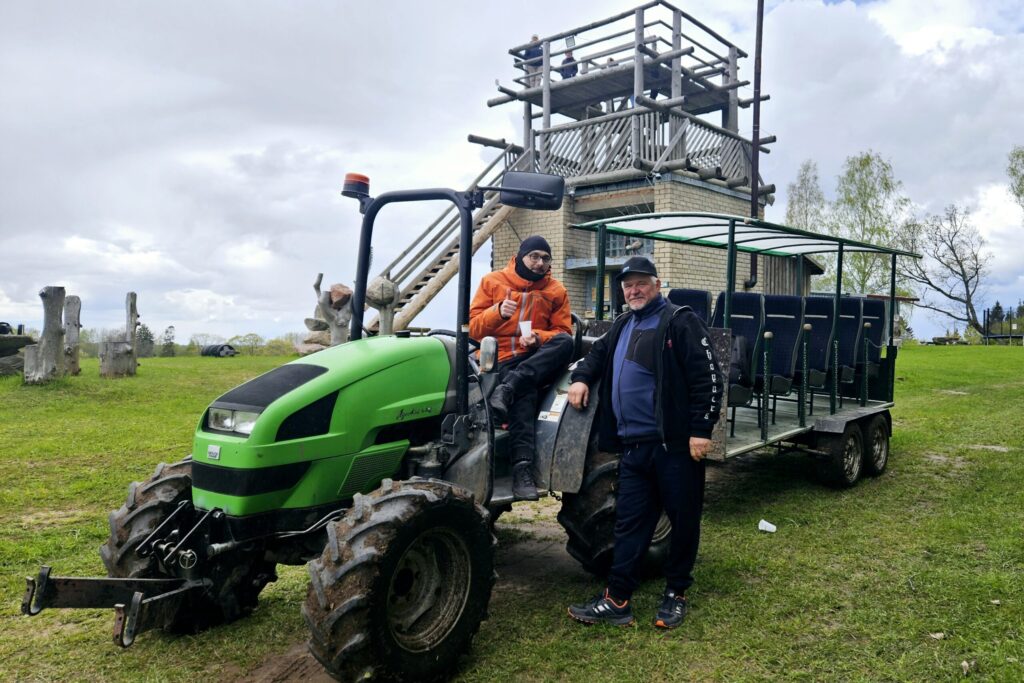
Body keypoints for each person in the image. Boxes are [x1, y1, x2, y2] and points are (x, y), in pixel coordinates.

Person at [565, 256, 722, 629]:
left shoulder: (680, 321)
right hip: (633, 448)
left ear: (657, 283)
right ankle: (617, 599)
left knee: (683, 521)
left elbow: (708, 377)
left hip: (674, 447)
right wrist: (582, 378)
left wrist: (701, 429)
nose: (633, 291)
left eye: (640, 283)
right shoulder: (622, 324)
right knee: (630, 524)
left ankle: (676, 593)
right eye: (627, 286)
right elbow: (596, 355)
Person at [469, 236, 574, 500]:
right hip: (499, 358)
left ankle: (508, 388)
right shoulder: (492, 282)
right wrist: (497, 313)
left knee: (564, 342)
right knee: (525, 394)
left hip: (535, 357)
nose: (540, 263)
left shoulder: (556, 290)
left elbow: (563, 331)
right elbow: (472, 329)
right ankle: (522, 469)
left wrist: (538, 337)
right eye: (534, 256)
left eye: (545, 258)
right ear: (521, 256)